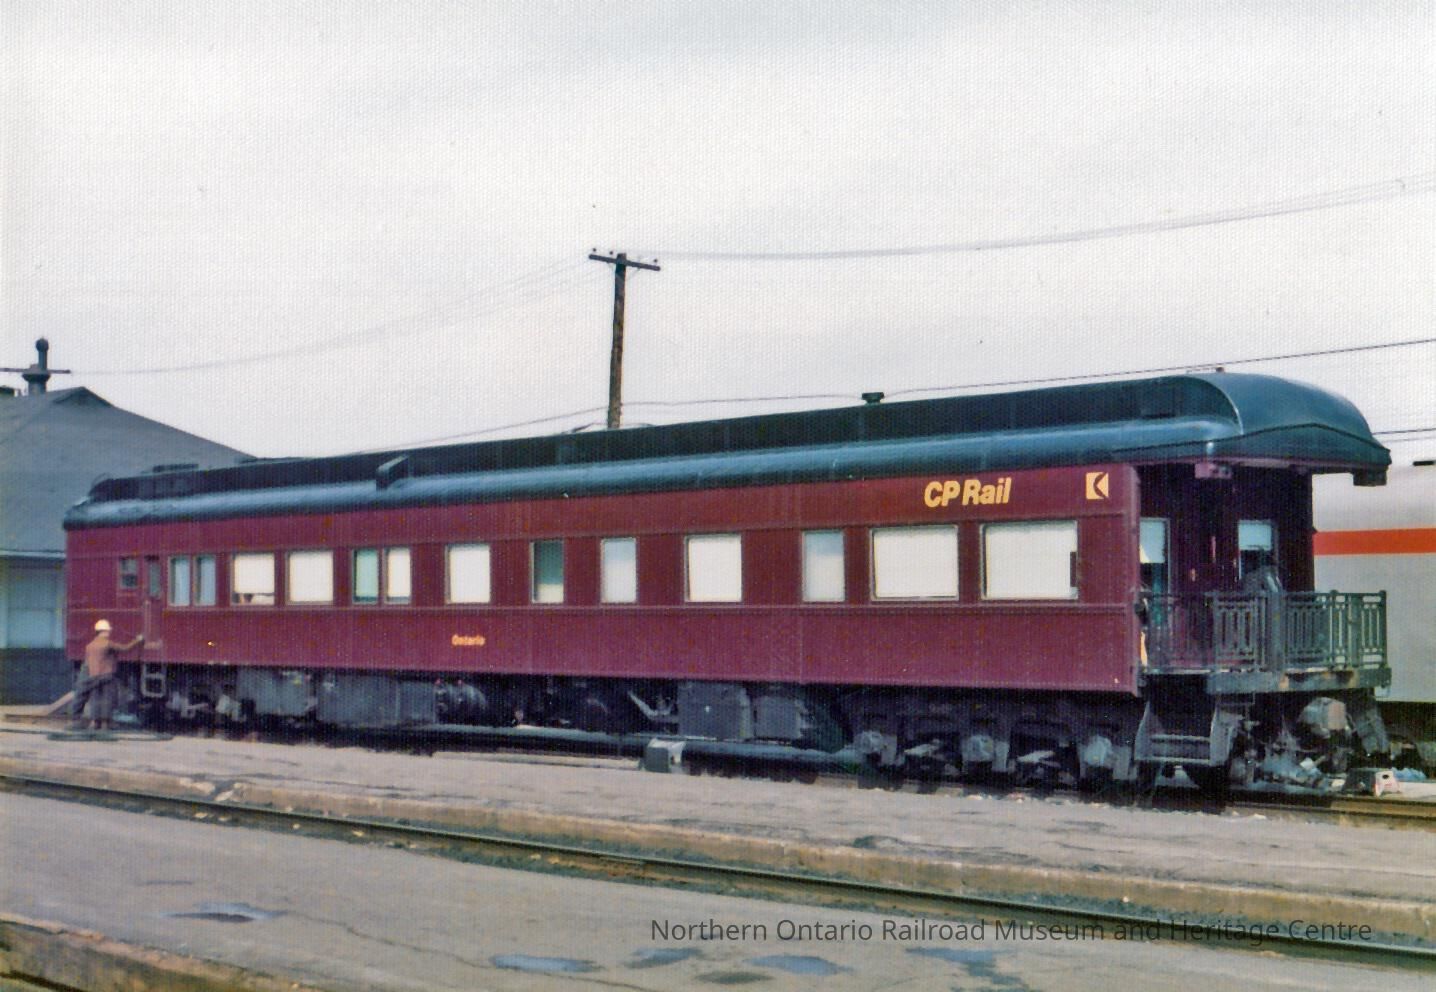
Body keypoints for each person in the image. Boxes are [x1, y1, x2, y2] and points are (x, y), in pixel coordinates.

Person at [71, 619, 143, 731]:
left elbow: (87, 662)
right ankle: (105, 724)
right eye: (107, 631)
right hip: (106, 676)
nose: (109, 632)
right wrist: (137, 640)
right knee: (107, 698)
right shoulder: (107, 643)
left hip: (93, 677)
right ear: (103, 632)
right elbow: (125, 648)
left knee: (95, 698)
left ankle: (94, 723)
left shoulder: (89, 646)